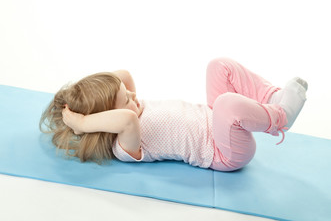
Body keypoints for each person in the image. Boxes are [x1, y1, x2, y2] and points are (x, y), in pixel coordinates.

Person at [40, 57, 307, 171]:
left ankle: (271, 98)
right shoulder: (124, 144)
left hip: (218, 120)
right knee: (227, 103)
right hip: (224, 152)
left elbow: (124, 76)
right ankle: (280, 118)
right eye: (125, 98)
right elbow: (126, 119)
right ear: (107, 119)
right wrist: (83, 122)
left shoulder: (131, 106)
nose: (133, 96)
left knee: (219, 66)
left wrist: (87, 94)